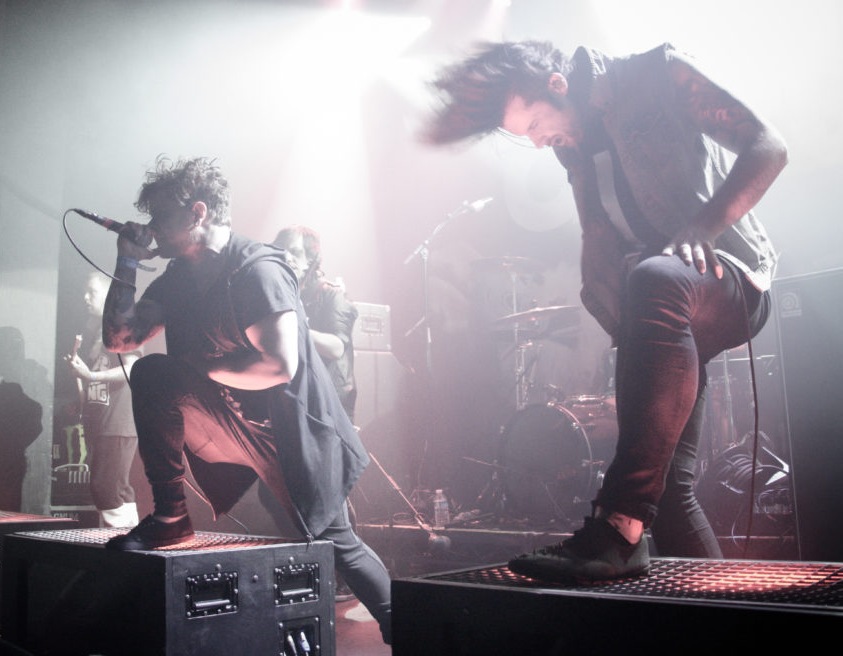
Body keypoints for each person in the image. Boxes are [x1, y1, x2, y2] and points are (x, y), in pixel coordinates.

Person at [425, 40, 786, 583]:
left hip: (726, 277)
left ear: (557, 85)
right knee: (672, 487)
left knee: (655, 275)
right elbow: (601, 230)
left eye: (535, 125)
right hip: (659, 303)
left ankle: (616, 527)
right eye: (524, 135)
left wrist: (703, 226)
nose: (537, 140)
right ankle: (727, 622)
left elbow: (769, 147)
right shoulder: (573, 143)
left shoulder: (658, 75)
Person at [98, 156, 392, 642]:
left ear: (198, 212)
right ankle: (170, 516)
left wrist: (199, 369)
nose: (154, 229)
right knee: (151, 373)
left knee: (336, 543)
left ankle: (409, 629)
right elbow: (120, 338)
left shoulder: (256, 269)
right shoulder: (178, 278)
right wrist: (126, 259)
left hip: (294, 432)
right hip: (233, 422)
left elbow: (279, 366)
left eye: (162, 217)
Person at [64, 271, 142, 528]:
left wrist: (92, 375)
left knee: (105, 487)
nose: (85, 298)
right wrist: (82, 382)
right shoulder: (95, 334)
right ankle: (131, 543)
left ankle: (119, 547)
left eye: (92, 293)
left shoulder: (121, 329)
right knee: (117, 488)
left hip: (119, 422)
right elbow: (93, 383)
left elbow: (133, 369)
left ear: (108, 296)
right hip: (102, 423)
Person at [272, 226, 359, 420]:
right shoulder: (284, 293)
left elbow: (336, 348)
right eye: (280, 250)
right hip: (296, 401)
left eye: (294, 252)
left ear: (311, 260)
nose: (286, 257)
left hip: (329, 407)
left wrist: (290, 328)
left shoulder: (331, 294)